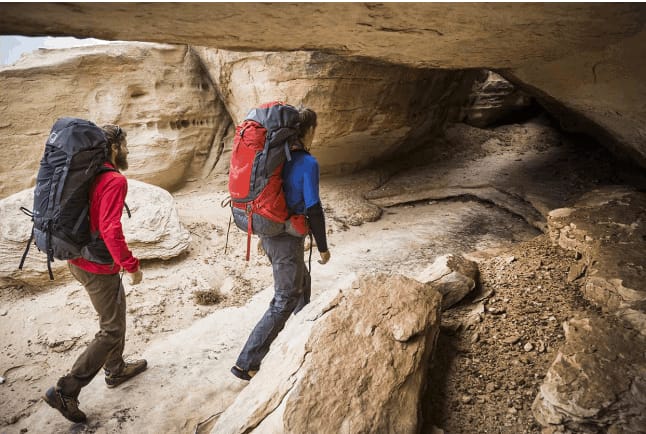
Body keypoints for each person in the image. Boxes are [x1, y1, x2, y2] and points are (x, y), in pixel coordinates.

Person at [43, 124, 147, 423]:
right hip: (97, 265)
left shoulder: (86, 173)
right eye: (124, 145)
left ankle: (115, 369)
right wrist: (131, 265)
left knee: (115, 311)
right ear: (113, 147)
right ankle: (66, 390)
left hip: (77, 258)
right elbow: (111, 229)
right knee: (111, 328)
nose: (127, 150)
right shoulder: (113, 180)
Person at [231, 107, 331, 381]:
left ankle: (301, 332)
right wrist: (323, 247)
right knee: (285, 297)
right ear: (308, 131)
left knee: (301, 281)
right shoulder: (307, 163)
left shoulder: (274, 158)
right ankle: (246, 362)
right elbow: (314, 208)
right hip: (285, 236)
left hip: (267, 228)